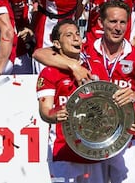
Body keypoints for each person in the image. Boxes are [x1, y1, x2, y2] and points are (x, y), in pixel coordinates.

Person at [34, 0, 135, 183]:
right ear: (101, 23)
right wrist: (74, 66)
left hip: (126, 135)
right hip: (93, 138)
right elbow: (39, 53)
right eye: (112, 21)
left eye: (123, 22)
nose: (118, 28)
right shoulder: (86, 50)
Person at [36, 19, 104, 182]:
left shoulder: (96, 64)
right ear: (57, 44)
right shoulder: (49, 72)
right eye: (69, 35)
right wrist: (55, 114)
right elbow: (45, 111)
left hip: (94, 150)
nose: (76, 38)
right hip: (63, 151)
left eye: (77, 34)